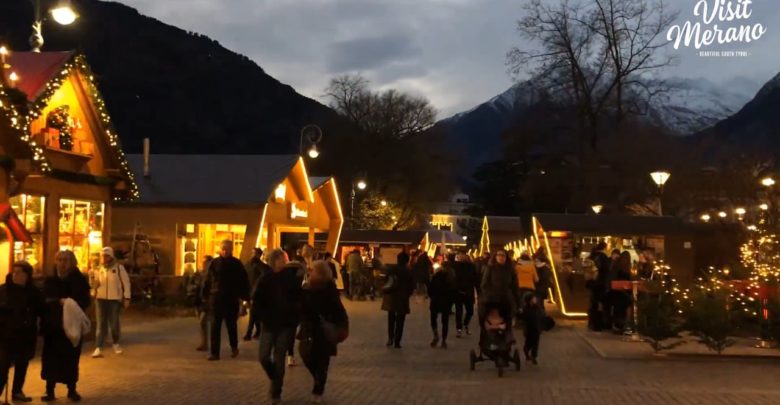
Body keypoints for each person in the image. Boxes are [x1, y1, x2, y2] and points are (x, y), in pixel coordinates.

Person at [41, 250, 91, 402]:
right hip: (53, 327)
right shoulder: (50, 280)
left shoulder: (80, 280)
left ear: (72, 262)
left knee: (71, 359)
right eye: (60, 260)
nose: (62, 263)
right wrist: (57, 303)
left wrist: (71, 304)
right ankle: (50, 391)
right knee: (51, 359)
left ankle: (72, 389)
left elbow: (85, 301)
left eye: (66, 260)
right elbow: (44, 300)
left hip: (72, 327)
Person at [254, 249, 303, 404]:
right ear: (276, 260)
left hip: (286, 324)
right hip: (269, 323)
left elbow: (298, 298)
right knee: (263, 356)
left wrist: (295, 316)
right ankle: (275, 378)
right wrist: (261, 316)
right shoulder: (265, 279)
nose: (286, 261)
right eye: (283, 258)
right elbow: (257, 299)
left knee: (279, 356)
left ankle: (276, 392)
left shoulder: (291, 278)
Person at [298, 261, 348, 403]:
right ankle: (318, 380)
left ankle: (318, 389)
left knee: (322, 362)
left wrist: (340, 327)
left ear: (319, 273)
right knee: (305, 354)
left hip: (324, 332)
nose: (310, 273)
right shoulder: (308, 288)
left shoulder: (329, 290)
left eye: (312, 270)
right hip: (309, 329)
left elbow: (339, 312)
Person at [0, 262, 44, 403]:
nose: (15, 274)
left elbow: (41, 310)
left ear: (27, 275)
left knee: (22, 364)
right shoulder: (4, 290)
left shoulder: (33, 292)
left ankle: (17, 391)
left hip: (25, 334)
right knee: (2, 365)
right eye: (14, 272)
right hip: (5, 334)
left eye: (19, 272)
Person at [202, 240, 250, 361]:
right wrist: (205, 296)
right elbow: (208, 280)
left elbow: (243, 281)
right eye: (223, 249)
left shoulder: (236, 264)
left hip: (231, 299)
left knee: (231, 325)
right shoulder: (214, 263)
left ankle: (234, 347)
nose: (225, 251)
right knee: (215, 326)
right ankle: (214, 353)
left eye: (227, 249)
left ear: (231, 250)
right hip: (216, 298)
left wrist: (245, 298)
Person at [90, 247, 131, 358]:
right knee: (100, 324)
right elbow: (95, 283)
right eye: (102, 256)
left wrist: (127, 298)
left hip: (114, 300)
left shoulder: (119, 268)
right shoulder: (98, 269)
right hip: (100, 299)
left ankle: (115, 343)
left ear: (111, 257)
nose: (104, 258)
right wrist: (93, 286)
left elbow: (126, 283)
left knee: (114, 323)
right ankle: (98, 347)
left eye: (106, 256)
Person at [381, 251, 414, 348]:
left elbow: (385, 280)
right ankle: (397, 341)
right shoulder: (408, 271)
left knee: (391, 318)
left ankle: (390, 338)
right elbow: (411, 286)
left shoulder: (391, 269)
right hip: (403, 298)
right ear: (407, 261)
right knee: (400, 320)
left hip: (391, 296)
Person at [480, 249, 521, 323]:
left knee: (506, 323)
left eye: (503, 255)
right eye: (499, 255)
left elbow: (515, 286)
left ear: (506, 258)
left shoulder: (510, 269)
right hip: (492, 300)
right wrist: (488, 295)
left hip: (506, 299)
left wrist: (517, 301)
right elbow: (484, 284)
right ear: (495, 257)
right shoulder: (490, 268)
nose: (501, 257)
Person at [428, 257, 455, 348]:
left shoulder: (437, 275)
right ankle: (444, 340)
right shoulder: (452, 277)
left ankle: (435, 335)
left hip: (436, 299)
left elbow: (430, 288)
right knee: (445, 321)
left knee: (433, 319)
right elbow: (453, 290)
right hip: (446, 301)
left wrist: (431, 296)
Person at [244, 248, 269, 341]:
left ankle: (249, 333)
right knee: (255, 313)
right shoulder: (249, 264)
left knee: (253, 312)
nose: (253, 255)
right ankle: (258, 330)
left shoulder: (261, 266)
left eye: (255, 253)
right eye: (252, 253)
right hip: (250, 291)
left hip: (257, 293)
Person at [452, 251, 478, 338]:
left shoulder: (471, 266)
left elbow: (476, 279)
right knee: (459, 312)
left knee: (470, 311)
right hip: (457, 292)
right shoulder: (454, 266)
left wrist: (478, 290)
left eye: (462, 255)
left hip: (469, 291)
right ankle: (459, 329)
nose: (461, 257)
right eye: (459, 255)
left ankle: (466, 324)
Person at [586, 242, 610, 331]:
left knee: (593, 303)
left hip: (591, 283)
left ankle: (591, 322)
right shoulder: (603, 257)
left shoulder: (592, 256)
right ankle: (598, 324)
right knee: (600, 304)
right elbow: (605, 271)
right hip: (600, 284)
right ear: (605, 247)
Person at [194, 256, 213, 351]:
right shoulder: (201, 274)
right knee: (202, 323)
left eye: (206, 262)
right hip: (201, 301)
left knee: (203, 321)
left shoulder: (212, 275)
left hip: (209, 301)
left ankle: (206, 344)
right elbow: (198, 288)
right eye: (203, 262)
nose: (204, 264)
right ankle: (204, 343)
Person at [521, 293, 543, 365]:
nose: (535, 299)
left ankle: (534, 356)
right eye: (534, 298)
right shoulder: (525, 309)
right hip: (529, 329)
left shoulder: (537, 308)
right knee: (529, 343)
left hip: (536, 329)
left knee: (535, 344)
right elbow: (524, 318)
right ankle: (526, 351)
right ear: (530, 300)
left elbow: (541, 316)